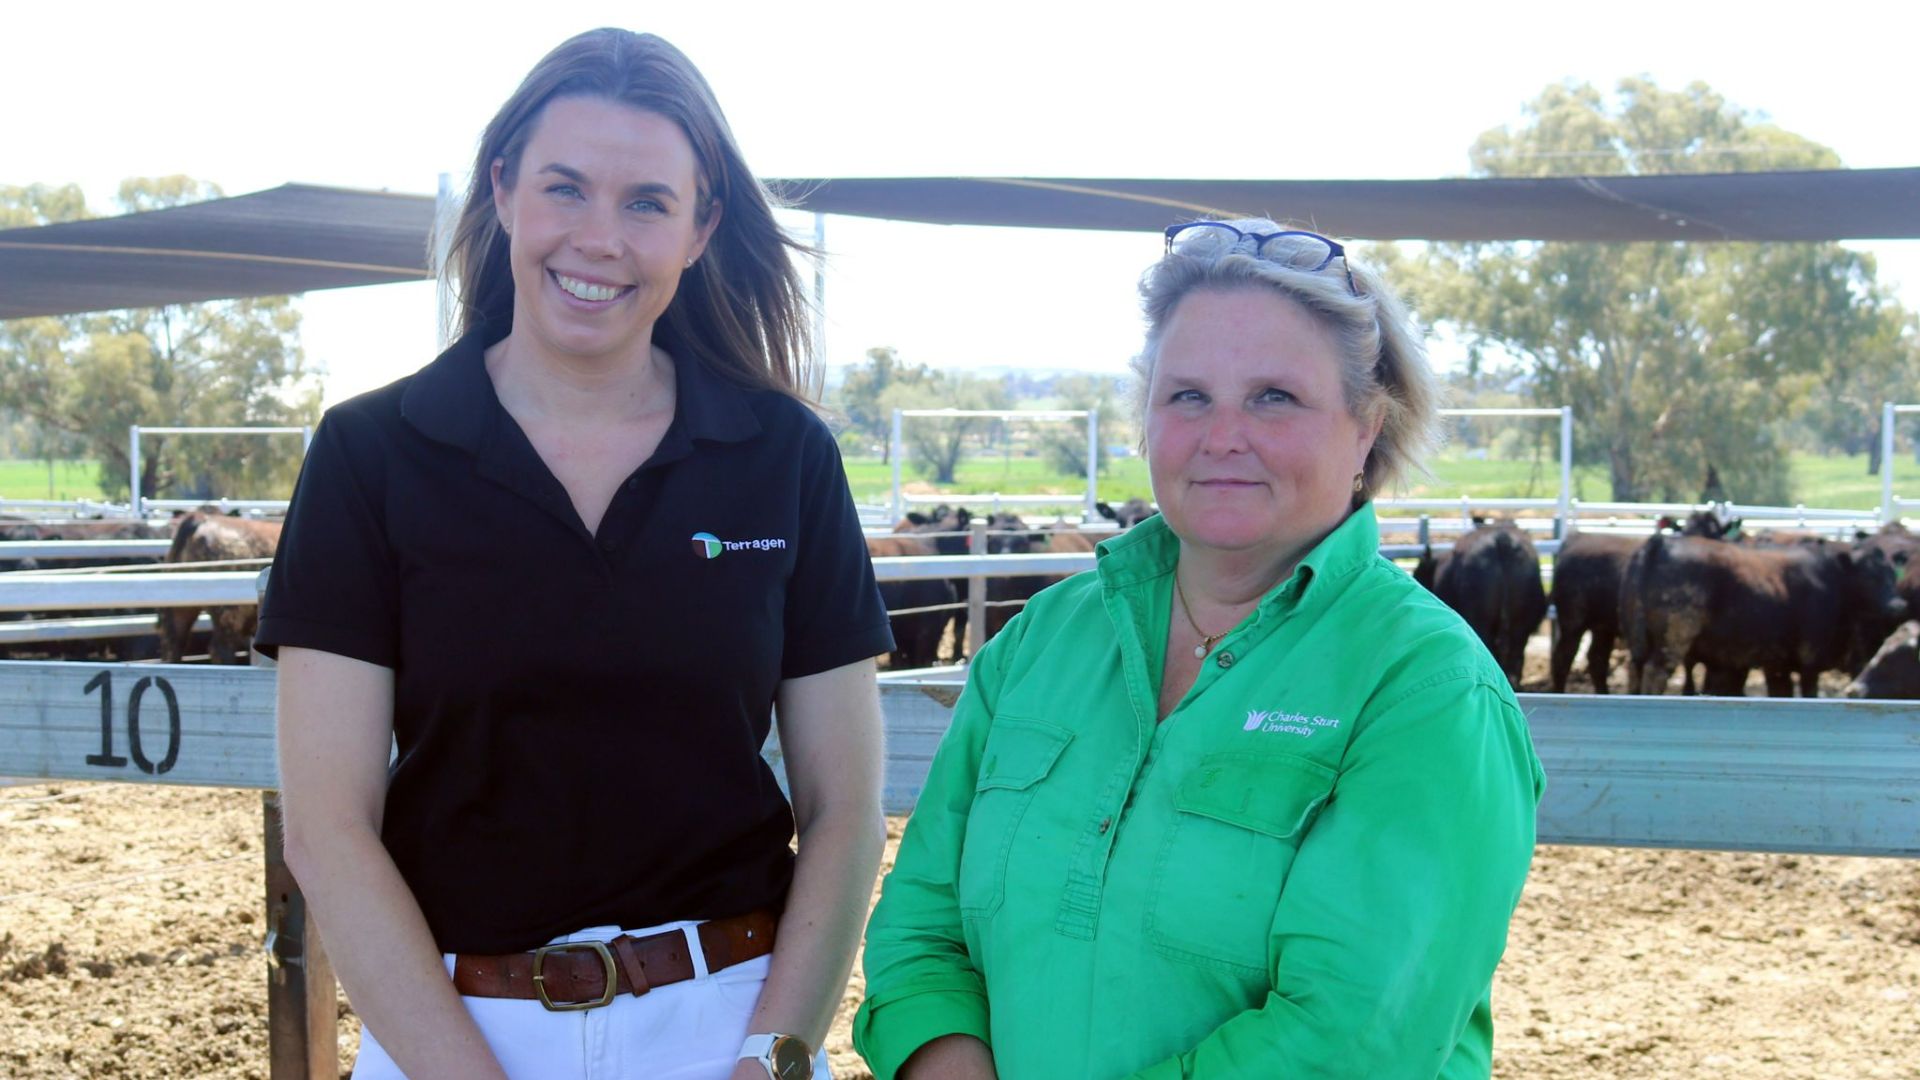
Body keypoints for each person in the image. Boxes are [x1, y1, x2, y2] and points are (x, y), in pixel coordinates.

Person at [257, 29, 891, 1080]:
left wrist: (772, 1057)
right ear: (503, 190)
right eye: (566, 188)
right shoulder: (371, 456)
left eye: (647, 201)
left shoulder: (782, 458)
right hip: (450, 1031)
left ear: (702, 227)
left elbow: (845, 814)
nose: (599, 237)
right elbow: (327, 830)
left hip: (725, 1022)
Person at [853, 219, 1545, 1079]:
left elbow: (1352, 1039)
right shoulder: (1043, 640)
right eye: (1187, 396)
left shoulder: (1425, 687)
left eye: (1273, 398)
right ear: (1146, 418)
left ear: (1367, 427)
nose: (1223, 437)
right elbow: (922, 923)